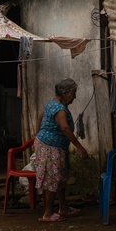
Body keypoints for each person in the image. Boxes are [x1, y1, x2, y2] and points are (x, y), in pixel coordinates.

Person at [34, 78, 89, 222]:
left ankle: (63, 208)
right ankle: (47, 214)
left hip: (53, 146)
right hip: (50, 147)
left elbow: (41, 114)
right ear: (65, 93)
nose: (75, 97)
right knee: (54, 178)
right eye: (73, 93)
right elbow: (65, 128)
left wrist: (37, 133)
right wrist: (79, 147)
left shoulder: (54, 104)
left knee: (60, 176)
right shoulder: (59, 109)